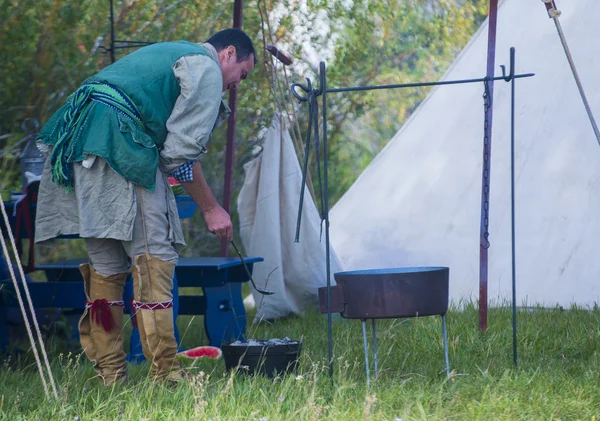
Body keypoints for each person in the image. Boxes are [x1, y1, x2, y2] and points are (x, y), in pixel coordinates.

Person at [34, 28, 256, 385]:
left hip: (84, 146)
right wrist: (212, 208)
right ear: (229, 53)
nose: (235, 85)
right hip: (123, 146)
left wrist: (187, 177)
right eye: (241, 75)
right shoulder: (207, 66)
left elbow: (177, 149)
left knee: (105, 270)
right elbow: (182, 151)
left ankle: (110, 376)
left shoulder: (172, 52)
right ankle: (166, 375)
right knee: (153, 260)